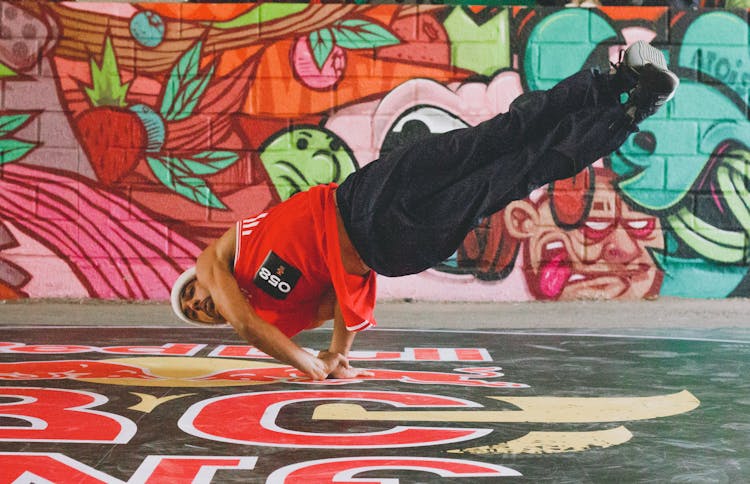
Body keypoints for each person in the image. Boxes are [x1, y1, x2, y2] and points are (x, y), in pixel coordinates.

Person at [171, 40, 679, 380]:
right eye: (197, 315)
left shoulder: (216, 261)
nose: (200, 305)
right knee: (518, 172)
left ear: (197, 279)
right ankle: (629, 113)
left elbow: (243, 326)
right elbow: (338, 301)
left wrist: (306, 364)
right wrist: (337, 353)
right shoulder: (277, 315)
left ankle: (613, 81)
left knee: (498, 134)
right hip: (391, 244)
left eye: (191, 298)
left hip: (361, 194)